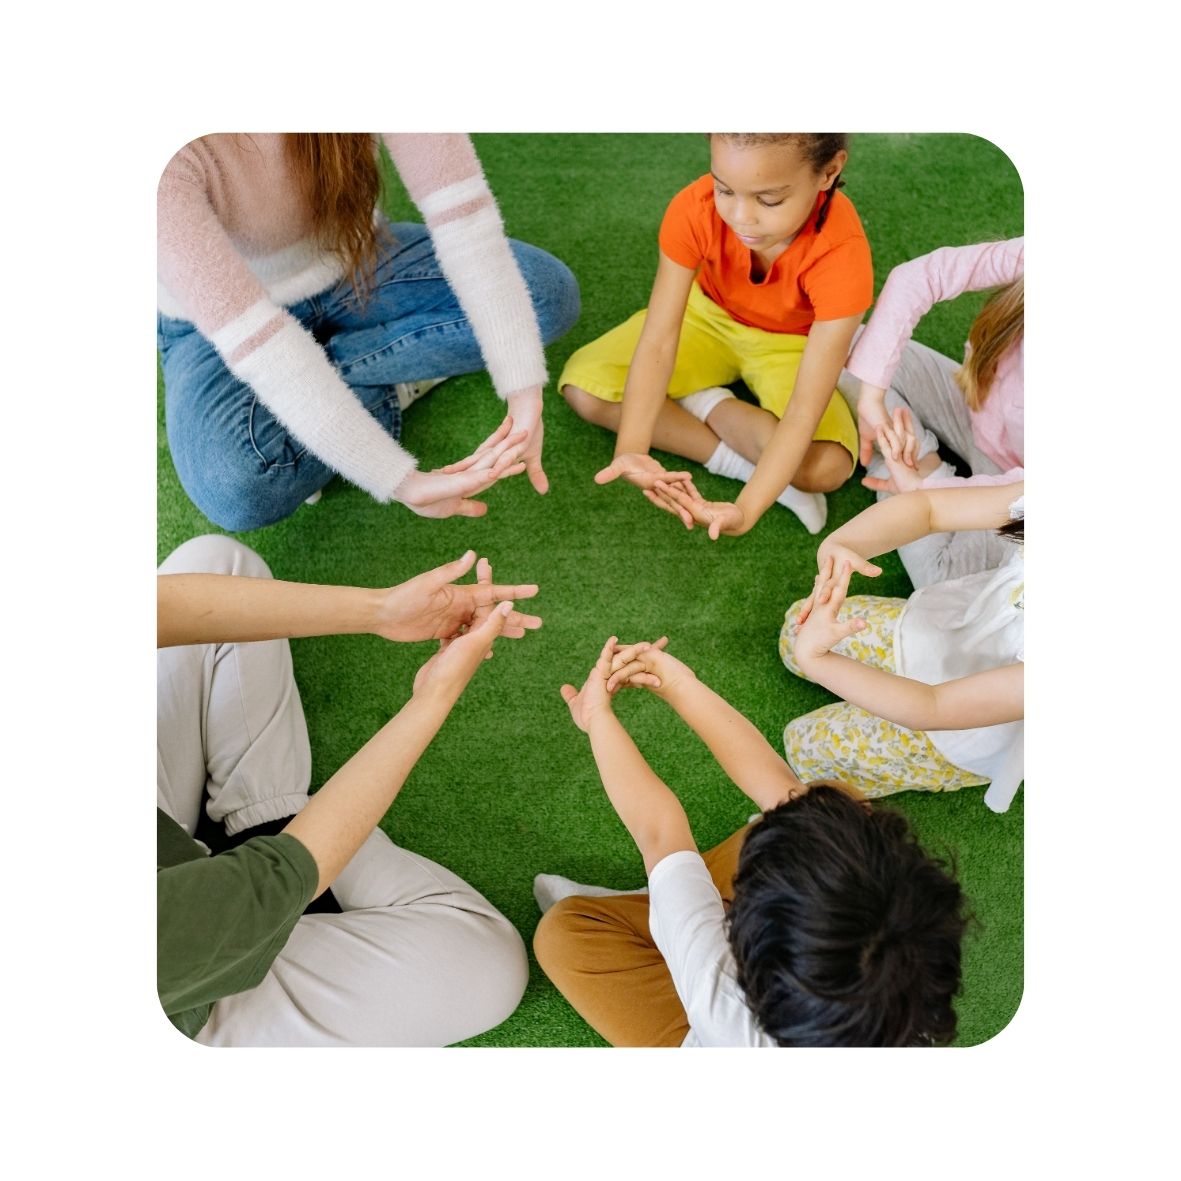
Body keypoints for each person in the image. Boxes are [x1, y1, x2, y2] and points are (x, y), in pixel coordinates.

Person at [157, 534, 542, 1046]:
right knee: (489, 963)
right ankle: (274, 826)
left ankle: (263, 817)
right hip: (184, 998)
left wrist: (383, 610)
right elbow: (269, 881)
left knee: (219, 564)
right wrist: (432, 697)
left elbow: (158, 609)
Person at [532, 636, 968, 1047]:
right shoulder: (905, 984)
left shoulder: (717, 997)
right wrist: (680, 685)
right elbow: (782, 792)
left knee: (563, 935)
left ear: (740, 939)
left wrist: (597, 718)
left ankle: (664, 903)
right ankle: (670, 899)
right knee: (831, 806)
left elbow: (659, 832)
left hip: (697, 1029)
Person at [157, 133, 581, 531]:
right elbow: (258, 342)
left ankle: (323, 404)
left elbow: (464, 219)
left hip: (352, 260)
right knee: (236, 489)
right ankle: (385, 378)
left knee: (545, 297)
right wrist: (401, 481)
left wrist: (525, 392)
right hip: (212, 324)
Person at [560, 133, 872, 538]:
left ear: (829, 172)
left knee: (826, 466)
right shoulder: (694, 206)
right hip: (705, 316)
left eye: (769, 200)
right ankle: (738, 461)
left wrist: (745, 511)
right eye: (724, 188)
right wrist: (632, 449)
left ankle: (702, 401)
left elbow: (802, 412)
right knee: (586, 389)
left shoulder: (842, 256)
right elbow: (659, 338)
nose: (740, 216)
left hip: (792, 343)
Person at [779, 481, 1024, 812]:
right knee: (795, 629)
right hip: (944, 629)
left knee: (804, 746)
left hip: (959, 728)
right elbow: (929, 509)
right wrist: (841, 545)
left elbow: (933, 707)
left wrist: (817, 660)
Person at [838, 238, 1024, 585]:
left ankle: (908, 465)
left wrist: (931, 486)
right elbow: (917, 277)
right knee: (844, 345)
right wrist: (871, 398)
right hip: (972, 401)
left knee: (940, 582)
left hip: (1014, 482)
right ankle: (906, 462)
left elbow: (1022, 498)